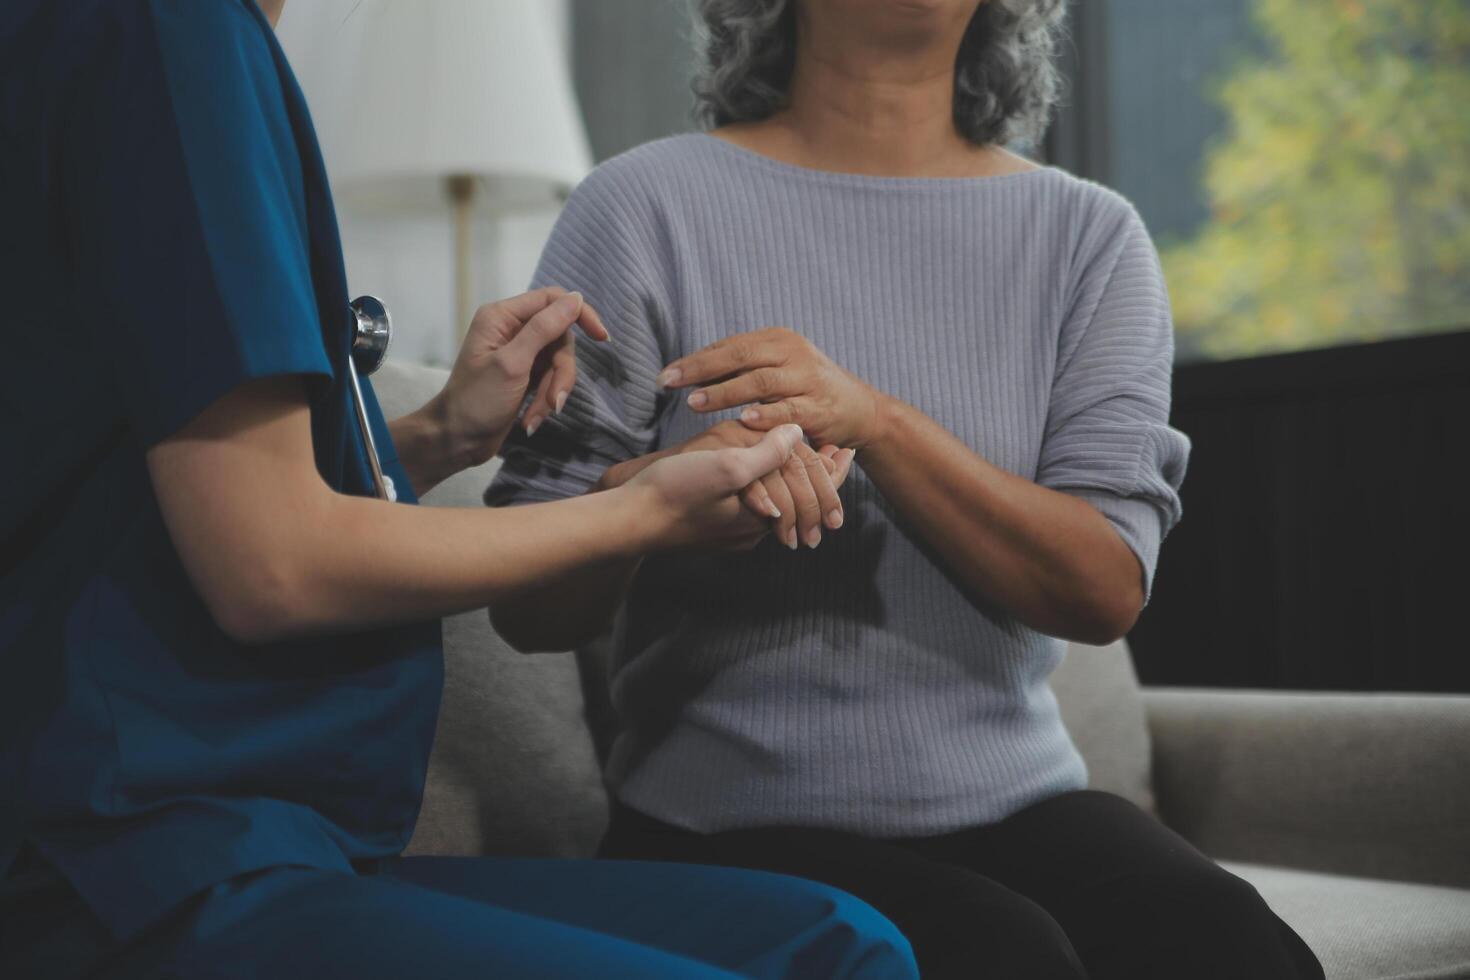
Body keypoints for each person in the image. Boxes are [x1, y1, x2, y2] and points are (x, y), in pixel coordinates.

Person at [0, 1, 921, 977]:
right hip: (138, 864)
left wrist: (440, 433)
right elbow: (272, 564)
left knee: (843, 943)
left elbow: (164, 489)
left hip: (278, 841)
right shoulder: (162, 33)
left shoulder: (201, 45)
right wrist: (642, 511)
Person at [487, 0, 1325, 977]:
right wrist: (652, 503)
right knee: (1003, 952)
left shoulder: (1090, 237)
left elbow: (1103, 587)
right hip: (716, 825)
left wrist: (875, 422)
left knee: (1226, 939)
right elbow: (528, 609)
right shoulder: (640, 205)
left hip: (1022, 804)